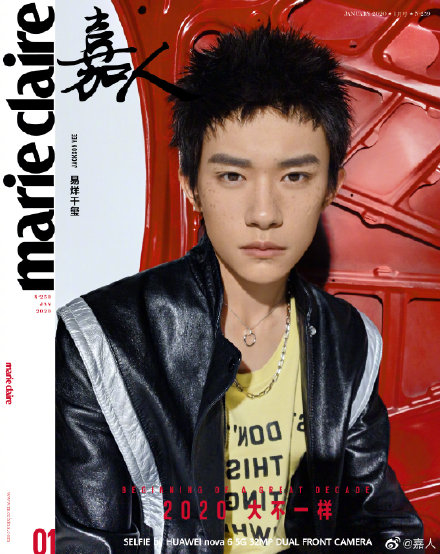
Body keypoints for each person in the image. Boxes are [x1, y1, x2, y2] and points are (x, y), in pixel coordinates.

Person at [56, 24, 423, 553]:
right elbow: (86, 541)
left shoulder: (349, 339)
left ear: (332, 187)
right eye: (233, 176)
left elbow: (381, 522)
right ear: (191, 184)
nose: (264, 214)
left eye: (294, 177)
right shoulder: (101, 342)